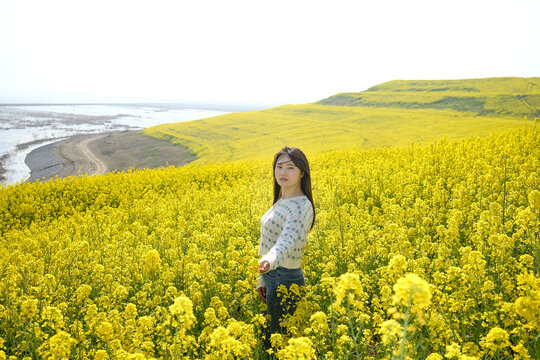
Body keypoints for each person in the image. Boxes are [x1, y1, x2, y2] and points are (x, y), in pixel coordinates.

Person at [256, 146, 315, 353]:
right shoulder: (282, 200)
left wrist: (268, 262)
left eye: (290, 167)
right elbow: (268, 242)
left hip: (285, 279)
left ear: (302, 173)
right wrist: (262, 278)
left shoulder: (300, 206)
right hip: (272, 276)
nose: (283, 172)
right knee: (270, 341)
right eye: (279, 166)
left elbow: (286, 241)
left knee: (280, 344)